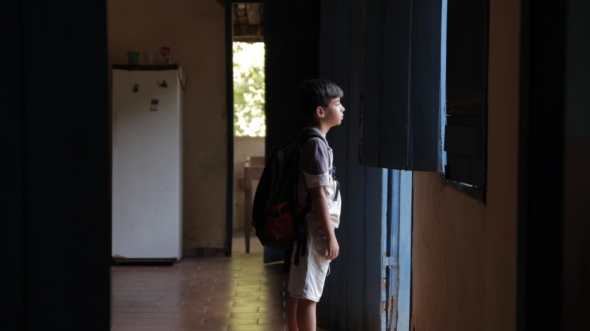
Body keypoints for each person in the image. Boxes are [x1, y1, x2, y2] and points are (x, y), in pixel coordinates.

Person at [287, 79, 345, 331]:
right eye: (337, 103)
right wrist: (330, 236)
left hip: (307, 225)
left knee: (299, 290)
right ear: (320, 112)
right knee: (310, 295)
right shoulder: (316, 145)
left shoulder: (310, 140)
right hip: (314, 228)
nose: (342, 108)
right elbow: (318, 195)